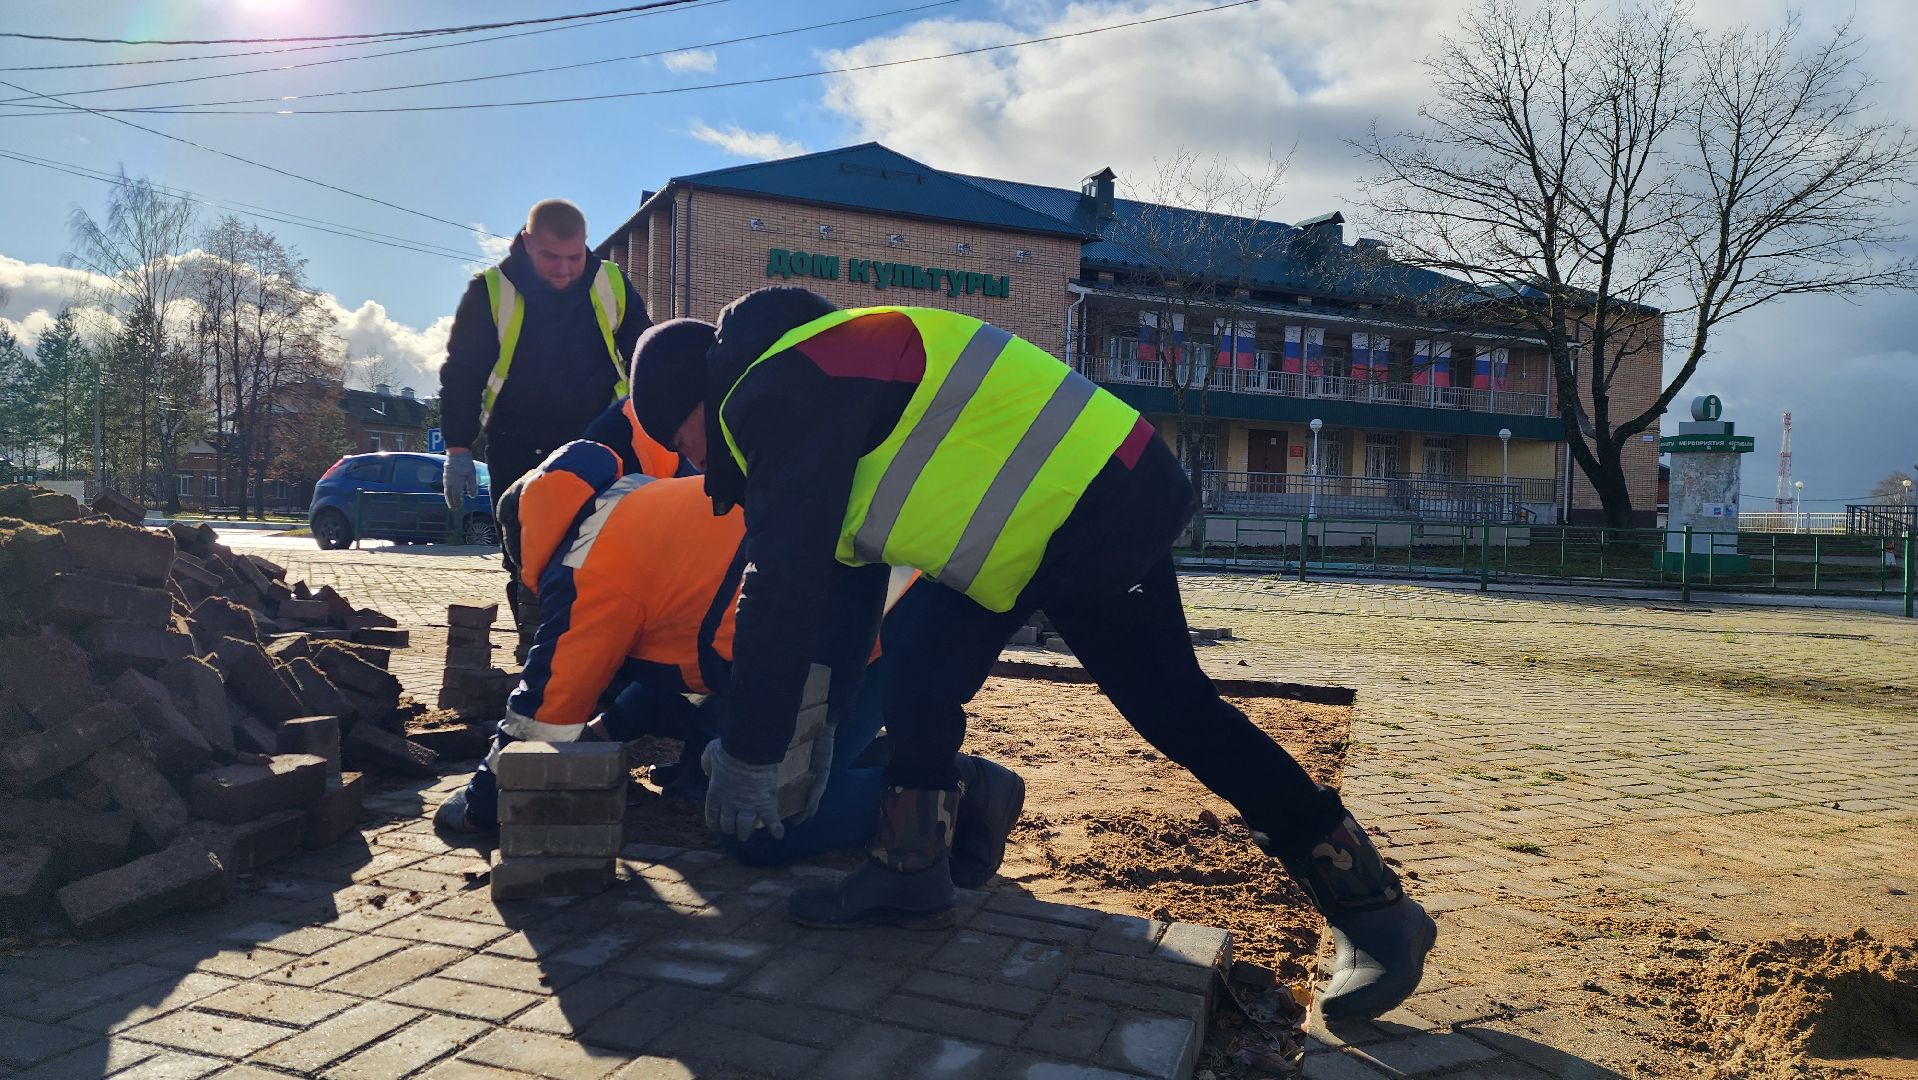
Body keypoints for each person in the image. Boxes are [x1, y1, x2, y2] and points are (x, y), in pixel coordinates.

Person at [626, 288, 1436, 1020]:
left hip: (1096, 504)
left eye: (683, 445)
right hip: (1043, 520)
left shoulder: (774, 391)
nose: (698, 467)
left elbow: (781, 585)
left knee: (1175, 711)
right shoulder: (813, 386)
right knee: (915, 657)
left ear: (694, 404)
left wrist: (754, 750)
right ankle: (909, 872)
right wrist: (821, 725)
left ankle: (1375, 910)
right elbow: (838, 599)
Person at [433, 423, 1024, 878]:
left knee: (765, 827)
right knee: (727, 727)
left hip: (863, 625)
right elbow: (669, 671)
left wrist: (481, 805)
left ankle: (957, 785)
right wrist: (608, 730)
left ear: (523, 543)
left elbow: (540, 716)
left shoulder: (584, 567)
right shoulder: (636, 507)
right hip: (892, 596)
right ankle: (888, 761)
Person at [438, 198, 652, 658]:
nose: (563, 270)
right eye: (551, 258)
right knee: (526, 551)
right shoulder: (491, 290)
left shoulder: (609, 282)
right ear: (528, 243)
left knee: (602, 547)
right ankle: (534, 646)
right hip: (517, 441)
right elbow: (462, 372)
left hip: (600, 441)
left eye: (574, 257)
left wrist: (660, 422)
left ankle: (598, 650)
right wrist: (457, 447)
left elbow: (646, 355)